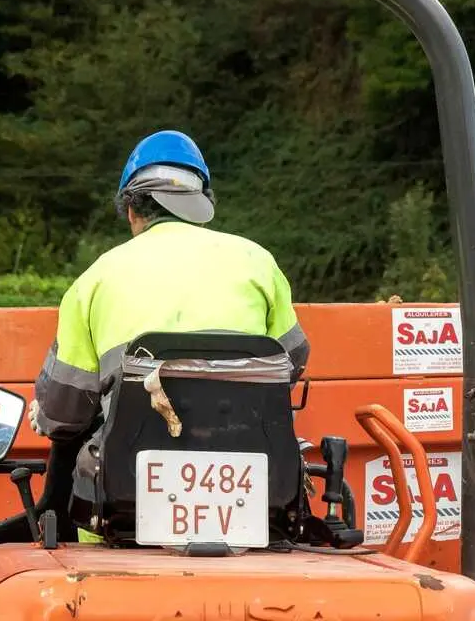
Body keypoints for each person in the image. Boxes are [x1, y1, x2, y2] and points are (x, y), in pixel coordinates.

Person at [26, 129, 311, 513]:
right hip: (257, 488)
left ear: (131, 210)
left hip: (127, 496)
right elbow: (291, 362)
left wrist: (44, 416)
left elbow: (64, 415)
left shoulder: (93, 280)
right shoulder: (257, 261)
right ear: (201, 205)